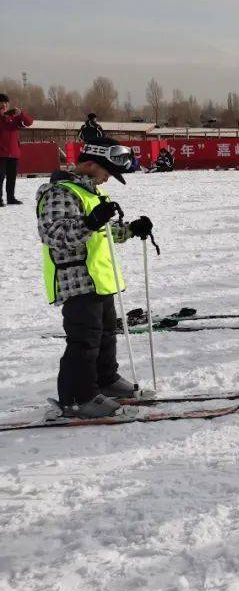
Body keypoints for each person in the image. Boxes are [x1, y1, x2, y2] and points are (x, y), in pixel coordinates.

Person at [36, 137, 153, 418]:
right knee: (84, 340)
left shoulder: (92, 193)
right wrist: (90, 221)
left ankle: (105, 381)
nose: (108, 180)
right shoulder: (59, 192)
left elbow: (106, 233)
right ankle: (77, 398)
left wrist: (131, 229)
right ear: (90, 164)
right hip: (76, 279)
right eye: (107, 173)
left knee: (106, 335)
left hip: (101, 278)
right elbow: (54, 234)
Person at [0, 93, 34, 206]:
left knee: (11, 178)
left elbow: (29, 122)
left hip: (13, 153)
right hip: (1, 153)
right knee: (0, 177)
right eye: (2, 103)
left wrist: (21, 114)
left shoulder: (14, 117)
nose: (4, 105)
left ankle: (11, 198)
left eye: (6, 103)